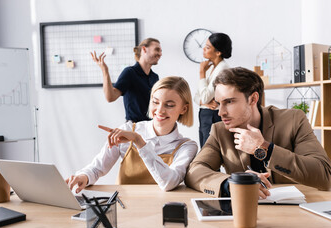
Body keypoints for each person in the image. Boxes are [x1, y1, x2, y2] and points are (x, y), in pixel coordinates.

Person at [185, 67, 331, 199]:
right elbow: (195, 171)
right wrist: (231, 184)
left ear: (253, 99)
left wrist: (264, 148)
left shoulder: (293, 120)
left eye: (229, 102)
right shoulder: (220, 130)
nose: (221, 112)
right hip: (246, 211)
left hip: (298, 213)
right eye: (218, 103)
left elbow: (325, 175)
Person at [66, 76, 198, 192]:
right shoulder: (128, 129)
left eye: (169, 105)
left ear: (184, 109)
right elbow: (97, 168)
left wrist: (139, 141)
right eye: (155, 102)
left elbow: (169, 182)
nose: (160, 110)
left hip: (163, 211)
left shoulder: (186, 146)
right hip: (124, 208)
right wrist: (83, 176)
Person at [91, 38, 162, 122]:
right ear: (144, 49)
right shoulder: (130, 73)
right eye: (157, 50)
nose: (160, 54)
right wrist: (105, 71)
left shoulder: (154, 77)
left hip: (151, 127)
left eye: (161, 51)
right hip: (134, 128)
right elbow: (110, 97)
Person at [194, 33, 232, 148]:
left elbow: (204, 96)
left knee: (209, 153)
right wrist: (203, 102)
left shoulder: (222, 69)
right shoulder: (213, 67)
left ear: (218, 52)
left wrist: (201, 73)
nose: (203, 49)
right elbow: (196, 96)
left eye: (208, 47)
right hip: (205, 114)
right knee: (205, 152)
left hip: (212, 115)